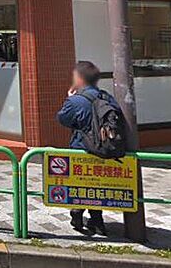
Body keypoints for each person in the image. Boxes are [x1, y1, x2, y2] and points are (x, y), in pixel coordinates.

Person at [56, 61, 119, 235]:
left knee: (81, 182)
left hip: (81, 147)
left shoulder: (75, 100)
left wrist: (69, 98)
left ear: (79, 79)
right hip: (104, 150)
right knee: (96, 184)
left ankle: (77, 213)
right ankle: (97, 221)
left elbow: (62, 119)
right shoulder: (106, 97)